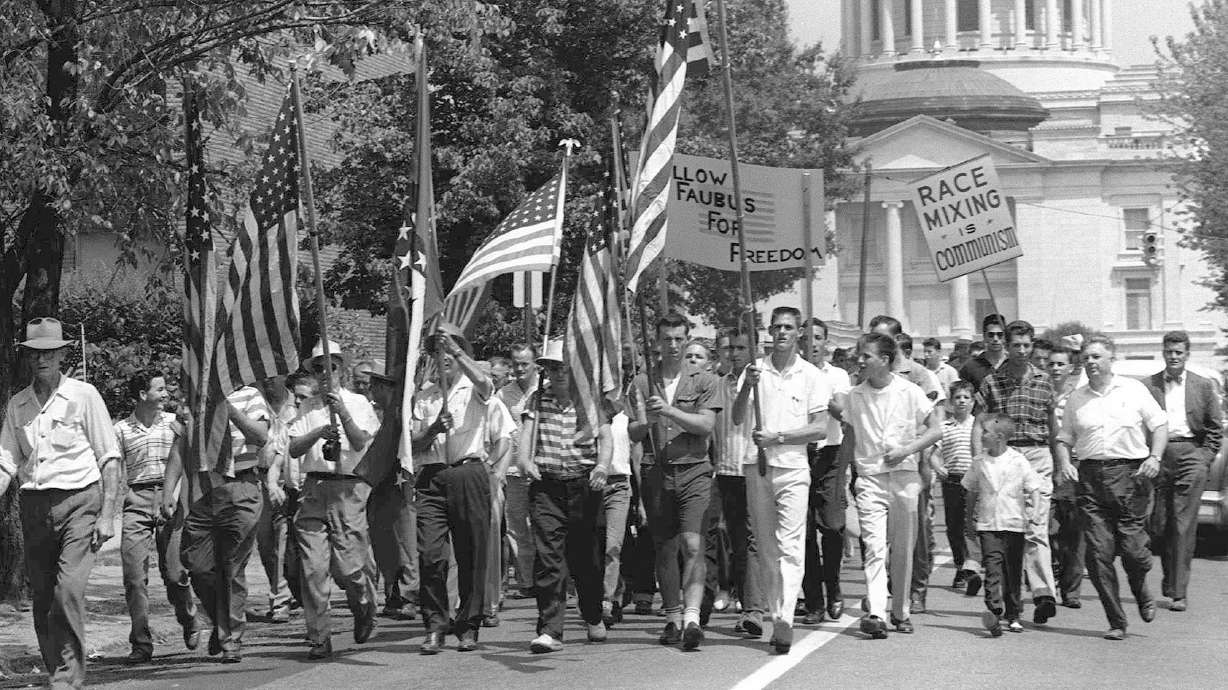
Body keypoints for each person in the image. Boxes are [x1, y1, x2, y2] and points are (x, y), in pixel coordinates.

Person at [0, 318, 121, 688]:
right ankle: (58, 671)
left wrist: (107, 515)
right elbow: (6, 462)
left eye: (49, 352)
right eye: (35, 353)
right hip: (34, 507)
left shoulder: (84, 395)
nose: (42, 360)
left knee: (67, 590)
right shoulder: (18, 404)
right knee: (43, 598)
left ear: (62, 355)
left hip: (79, 502)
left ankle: (68, 677)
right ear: (27, 357)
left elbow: (109, 457)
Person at [1054, 335, 1167, 640]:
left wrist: (1155, 457)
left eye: (1096, 357)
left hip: (1130, 477)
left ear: (1111, 359)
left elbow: (1159, 425)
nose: (1090, 362)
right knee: (1098, 554)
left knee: (1133, 552)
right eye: (1086, 358)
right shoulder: (1077, 399)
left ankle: (1141, 588)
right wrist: (1065, 462)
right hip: (1090, 480)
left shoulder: (1133, 389)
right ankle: (1117, 621)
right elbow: (1064, 438)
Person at [733, 307, 830, 654]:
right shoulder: (754, 370)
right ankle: (776, 615)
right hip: (757, 466)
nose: (782, 333)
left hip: (793, 467)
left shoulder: (811, 375)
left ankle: (785, 616)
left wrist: (779, 437)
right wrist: (747, 387)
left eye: (788, 327)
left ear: (799, 332)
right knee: (766, 547)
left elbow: (820, 428)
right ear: (769, 331)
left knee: (791, 545)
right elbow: (737, 417)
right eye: (777, 327)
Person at [412, 329, 512, 654]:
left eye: (448, 353)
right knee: (430, 554)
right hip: (432, 477)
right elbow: (413, 443)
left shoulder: (474, 388)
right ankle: (434, 625)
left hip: (468, 472)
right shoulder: (425, 397)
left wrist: (455, 348)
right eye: (436, 353)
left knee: (472, 554)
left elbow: (486, 385)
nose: (442, 359)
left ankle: (468, 624)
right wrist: (432, 430)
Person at [838, 332, 941, 639]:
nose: (859, 361)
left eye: (866, 356)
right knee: (874, 547)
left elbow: (935, 430)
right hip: (870, 478)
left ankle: (900, 611)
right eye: (858, 355)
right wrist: (841, 478)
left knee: (903, 550)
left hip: (904, 478)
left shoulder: (909, 391)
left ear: (884, 360)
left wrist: (907, 450)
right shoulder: (854, 395)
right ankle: (876, 613)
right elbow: (848, 434)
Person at [628, 312, 722, 650]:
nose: (673, 345)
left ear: (687, 339)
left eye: (679, 339)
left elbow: (706, 425)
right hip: (656, 471)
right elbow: (634, 432)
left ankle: (693, 618)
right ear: (657, 341)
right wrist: (647, 420)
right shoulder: (642, 382)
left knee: (693, 545)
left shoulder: (704, 380)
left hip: (694, 470)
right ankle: (672, 618)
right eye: (666, 339)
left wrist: (669, 411)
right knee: (665, 547)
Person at [286, 340, 381, 659]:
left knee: (350, 568)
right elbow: (294, 448)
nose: (325, 372)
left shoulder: (358, 402)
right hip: (315, 488)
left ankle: (364, 607)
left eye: (332, 366)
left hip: (348, 489)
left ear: (341, 368)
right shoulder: (307, 407)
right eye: (318, 367)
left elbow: (360, 442)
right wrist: (319, 432)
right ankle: (319, 636)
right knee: (313, 569)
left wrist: (342, 412)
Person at [519, 341, 612, 652]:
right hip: (547, 487)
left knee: (587, 559)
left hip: (583, 486)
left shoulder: (590, 400)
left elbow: (606, 438)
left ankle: (593, 614)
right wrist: (525, 461)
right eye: (554, 368)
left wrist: (602, 466)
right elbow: (526, 437)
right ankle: (550, 629)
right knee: (549, 559)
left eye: (565, 368)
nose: (559, 374)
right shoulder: (536, 399)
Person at [174, 376, 271, 663]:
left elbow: (260, 436)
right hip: (204, 489)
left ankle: (231, 638)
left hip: (241, 487)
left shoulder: (250, 396)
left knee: (232, 567)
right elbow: (181, 445)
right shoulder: (196, 399)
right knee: (197, 565)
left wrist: (229, 409)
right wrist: (169, 492)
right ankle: (221, 621)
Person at [975, 320, 1060, 625]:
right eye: (1016, 345)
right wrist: (979, 460)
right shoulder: (992, 382)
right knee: (1010, 532)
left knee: (1036, 525)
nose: (1022, 351)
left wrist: (1059, 462)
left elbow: (1052, 426)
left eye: (1026, 345)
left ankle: (1043, 593)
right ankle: (1012, 599)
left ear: (1032, 345)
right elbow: (980, 423)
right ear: (1007, 347)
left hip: (1038, 454)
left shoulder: (1044, 381)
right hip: (1005, 458)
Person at [114, 370, 199, 663]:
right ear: (142, 395)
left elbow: (187, 462)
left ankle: (188, 617)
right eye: (159, 389)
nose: (166, 394)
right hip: (136, 500)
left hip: (170, 497)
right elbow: (114, 470)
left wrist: (176, 495)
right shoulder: (121, 430)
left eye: (166, 389)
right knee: (134, 577)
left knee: (175, 574)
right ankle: (141, 643)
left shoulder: (175, 423)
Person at [1144, 330, 1222, 613]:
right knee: (1160, 524)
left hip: (1191, 454)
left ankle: (1179, 592)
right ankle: (1170, 579)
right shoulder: (1148, 385)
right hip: (1158, 455)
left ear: (1187, 354)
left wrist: (1204, 458)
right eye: (1169, 352)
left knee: (1183, 524)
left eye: (1178, 352)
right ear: (1163, 353)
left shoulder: (1202, 386)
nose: (1173, 356)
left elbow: (1215, 428)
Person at [963, 414, 1042, 636]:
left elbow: (1034, 487)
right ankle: (994, 610)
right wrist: (969, 518)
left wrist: (1035, 511)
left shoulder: (1018, 460)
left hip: (1014, 523)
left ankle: (1013, 614)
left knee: (1013, 571)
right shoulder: (979, 461)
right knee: (992, 568)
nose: (981, 436)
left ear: (999, 437)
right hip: (988, 523)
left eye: (985, 432)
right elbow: (971, 491)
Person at [800, 318, 851, 625]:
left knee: (832, 526)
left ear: (825, 342)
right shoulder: (795, 374)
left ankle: (833, 586)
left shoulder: (837, 375)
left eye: (818, 338)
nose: (812, 344)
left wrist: (822, 396)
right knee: (804, 532)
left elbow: (842, 410)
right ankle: (814, 601)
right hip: (799, 454)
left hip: (830, 453)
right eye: (807, 338)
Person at [498, 343, 539, 599]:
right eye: (516, 364)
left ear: (535, 364)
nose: (520, 368)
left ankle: (551, 580)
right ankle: (527, 581)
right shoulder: (503, 394)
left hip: (541, 468)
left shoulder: (544, 390)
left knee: (544, 527)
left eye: (525, 363)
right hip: (513, 471)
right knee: (516, 528)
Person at [254, 375, 293, 623]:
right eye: (263, 375)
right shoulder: (256, 404)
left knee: (284, 542)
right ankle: (281, 591)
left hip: (289, 479)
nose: (267, 379)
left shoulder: (298, 404)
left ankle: (281, 600)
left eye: (272, 374)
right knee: (266, 543)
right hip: (259, 478)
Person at [1047, 344, 1084, 608]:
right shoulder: (1041, 394)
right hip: (1045, 465)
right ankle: (1051, 576)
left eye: (1061, 364)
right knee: (1047, 529)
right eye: (1052, 364)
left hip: (1074, 466)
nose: (1056, 368)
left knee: (1074, 531)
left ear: (1070, 368)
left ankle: (1071, 590)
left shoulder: (1079, 396)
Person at [934, 380, 978, 594]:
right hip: (952, 480)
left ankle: (973, 565)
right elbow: (933, 454)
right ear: (951, 402)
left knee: (973, 524)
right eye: (957, 398)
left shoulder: (978, 426)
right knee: (954, 526)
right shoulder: (944, 427)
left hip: (974, 481)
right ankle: (960, 566)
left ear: (973, 402)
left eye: (966, 398)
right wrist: (938, 467)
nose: (961, 401)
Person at [959, 315, 1007, 389]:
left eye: (1000, 334)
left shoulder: (1014, 363)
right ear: (984, 336)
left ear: (1005, 336)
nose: (995, 339)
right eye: (991, 335)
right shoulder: (970, 367)